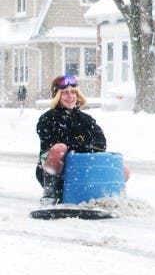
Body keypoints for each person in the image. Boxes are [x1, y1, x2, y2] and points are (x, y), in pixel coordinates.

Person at [35, 74, 128, 205]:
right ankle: (50, 195)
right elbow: (54, 142)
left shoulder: (86, 119)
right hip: (57, 171)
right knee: (59, 148)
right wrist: (81, 145)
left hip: (82, 168)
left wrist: (86, 146)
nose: (70, 96)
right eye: (65, 93)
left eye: (73, 92)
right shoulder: (47, 119)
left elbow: (100, 142)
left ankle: (109, 196)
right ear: (57, 96)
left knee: (122, 169)